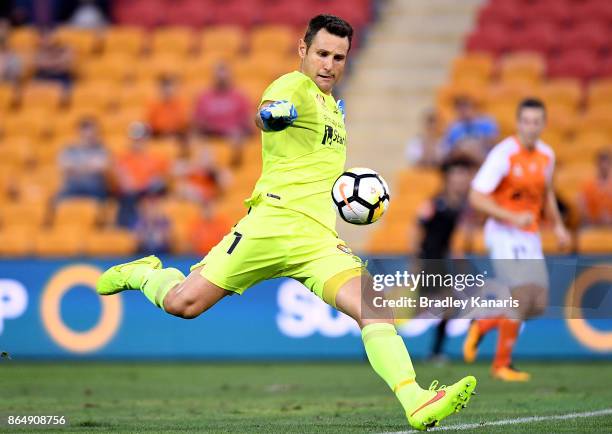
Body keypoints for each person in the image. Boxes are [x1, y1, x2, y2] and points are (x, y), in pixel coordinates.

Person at [96, 15, 476, 430]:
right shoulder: (291, 86)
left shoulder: (332, 107)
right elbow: (267, 113)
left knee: (373, 306)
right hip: (270, 225)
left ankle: (415, 399)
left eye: (339, 57)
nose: (329, 64)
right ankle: (145, 273)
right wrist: (273, 115)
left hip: (316, 238)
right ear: (303, 50)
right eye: (322, 54)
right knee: (181, 304)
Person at [463, 98, 571, 381]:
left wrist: (558, 227)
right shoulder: (504, 154)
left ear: (544, 124)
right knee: (522, 295)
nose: (531, 128)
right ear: (518, 123)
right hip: (503, 232)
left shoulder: (547, 154)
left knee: (538, 303)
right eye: (526, 121)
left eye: (537, 122)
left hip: (529, 232)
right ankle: (501, 365)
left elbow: (547, 192)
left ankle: (482, 325)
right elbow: (476, 196)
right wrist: (510, 217)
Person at [411, 157, 476, 362]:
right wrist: (416, 257)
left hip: (441, 260)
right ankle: (434, 351)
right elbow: (415, 227)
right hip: (428, 259)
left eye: (463, 175)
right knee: (417, 308)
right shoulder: (435, 203)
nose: (460, 180)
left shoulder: (461, 205)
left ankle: (435, 352)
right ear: (448, 179)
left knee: (447, 305)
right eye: (456, 175)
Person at [192, 62, 251, 167]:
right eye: (219, 76)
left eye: (224, 76)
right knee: (195, 140)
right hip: (209, 133)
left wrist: (239, 130)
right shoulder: (204, 96)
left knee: (237, 139)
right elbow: (198, 120)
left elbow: (246, 121)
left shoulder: (239, 96)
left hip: (232, 134)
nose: (221, 79)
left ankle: (236, 167)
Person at [113, 122, 169, 228]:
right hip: (130, 199)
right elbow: (125, 184)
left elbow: (163, 180)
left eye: (141, 139)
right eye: (135, 139)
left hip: (150, 197)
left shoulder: (157, 158)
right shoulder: (123, 158)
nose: (138, 142)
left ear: (146, 139)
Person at [57, 117, 109, 201]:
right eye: (87, 130)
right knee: (56, 201)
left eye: (94, 131)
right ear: (80, 132)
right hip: (73, 188)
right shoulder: (69, 149)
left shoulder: (101, 149)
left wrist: (77, 167)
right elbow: (65, 168)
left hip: (95, 189)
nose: (90, 135)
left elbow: (101, 167)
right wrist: (88, 167)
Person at [444, 96, 498, 160]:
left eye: (465, 107)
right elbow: (447, 148)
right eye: (460, 109)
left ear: (473, 108)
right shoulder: (453, 128)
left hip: (483, 157)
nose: (463, 112)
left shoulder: (487, 123)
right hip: (461, 160)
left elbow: (493, 143)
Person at [579, 149, 612, 225]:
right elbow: (582, 205)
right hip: (593, 224)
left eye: (606, 163)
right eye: (601, 163)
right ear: (597, 164)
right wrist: (593, 218)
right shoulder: (588, 185)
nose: (604, 166)